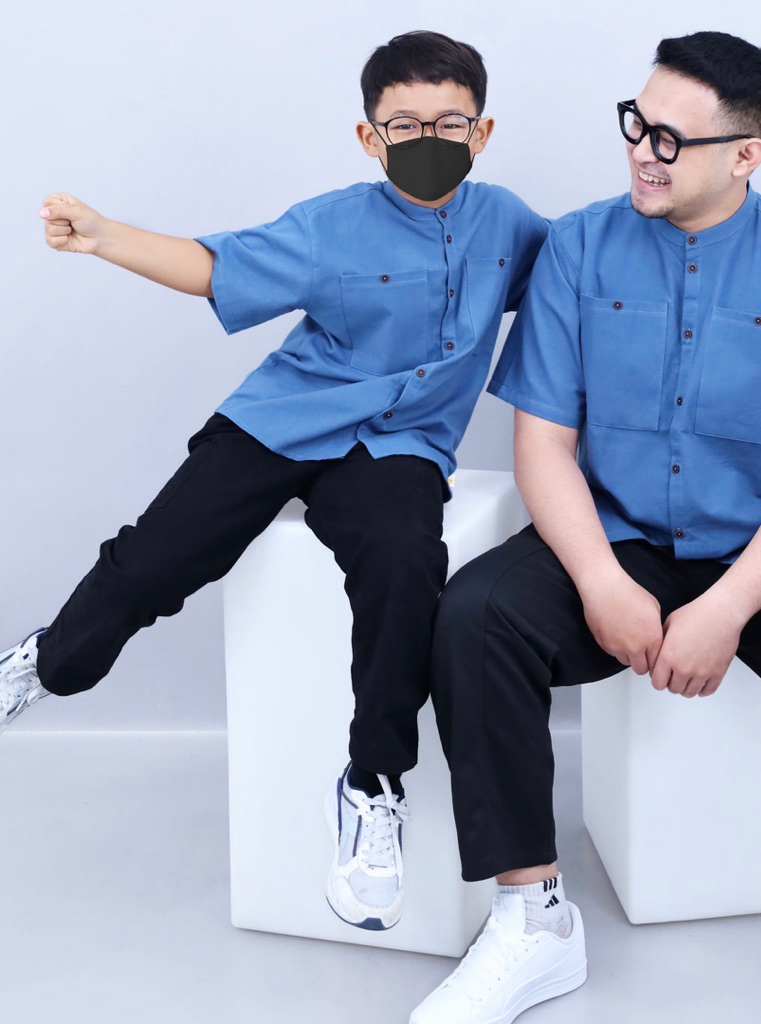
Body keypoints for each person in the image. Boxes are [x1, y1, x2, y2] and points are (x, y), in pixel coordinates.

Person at [412, 30, 761, 1024]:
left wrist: (725, 609)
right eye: (637, 124)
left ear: (746, 154)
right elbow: (543, 445)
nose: (642, 151)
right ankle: (533, 917)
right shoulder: (578, 249)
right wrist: (599, 581)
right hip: (624, 534)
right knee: (475, 615)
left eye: (670, 139)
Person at [0, 29, 548, 936]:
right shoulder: (331, 224)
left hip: (400, 446)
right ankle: (45, 663)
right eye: (405, 125)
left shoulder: (510, 224)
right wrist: (104, 237)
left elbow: (580, 274)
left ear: (482, 133)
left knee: (408, 565)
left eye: (450, 123)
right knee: (156, 561)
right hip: (286, 419)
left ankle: (373, 787)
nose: (429, 140)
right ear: (370, 138)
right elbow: (218, 267)